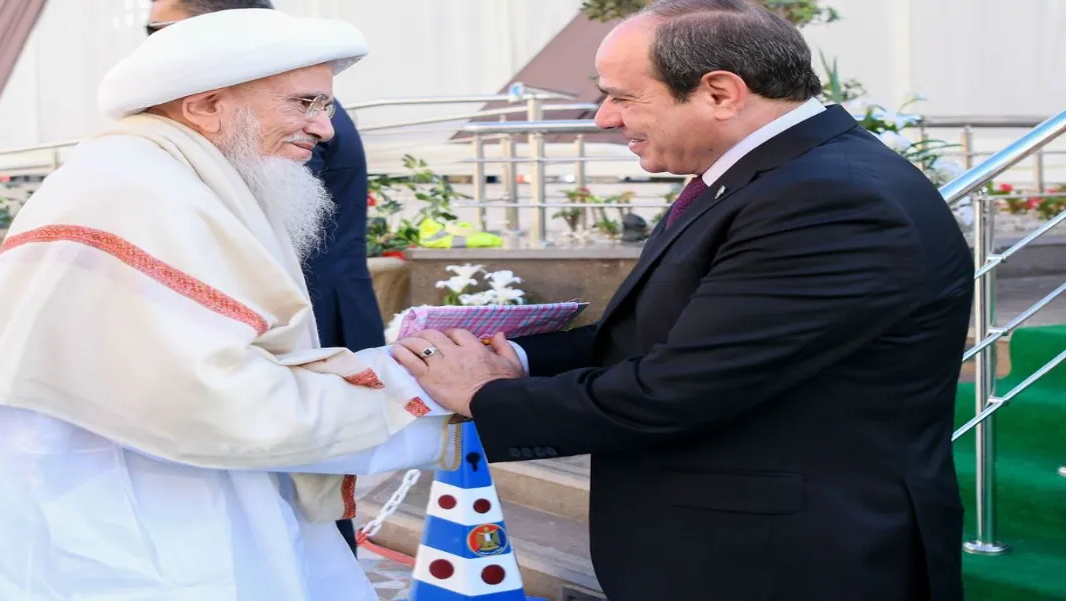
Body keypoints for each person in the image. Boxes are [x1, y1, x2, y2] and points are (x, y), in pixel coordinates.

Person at [393, 1, 972, 600]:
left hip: (783, 562)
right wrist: (516, 356)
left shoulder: (831, 199)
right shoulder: (775, 176)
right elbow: (668, 332)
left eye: (623, 96)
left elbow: (678, 387)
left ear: (720, 93)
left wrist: (485, 395)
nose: (604, 118)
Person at [0, 10, 461, 601]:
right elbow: (216, 395)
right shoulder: (142, 188)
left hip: (143, 478)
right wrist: (419, 389)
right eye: (304, 104)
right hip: (118, 499)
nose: (324, 130)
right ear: (205, 106)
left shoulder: (160, 171)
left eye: (325, 108)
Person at [148, 0, 385, 558]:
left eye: (160, 30)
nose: (152, 46)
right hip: (308, 321)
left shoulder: (277, 120)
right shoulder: (277, 105)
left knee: (302, 519)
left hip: (302, 327)